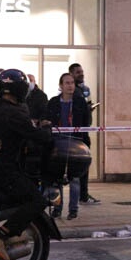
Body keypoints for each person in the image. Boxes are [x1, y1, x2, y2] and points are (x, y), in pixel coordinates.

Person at [0, 69, 53, 244]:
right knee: (38, 201)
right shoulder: (15, 113)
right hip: (6, 170)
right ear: (22, 90)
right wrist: (46, 129)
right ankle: (5, 232)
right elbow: (38, 136)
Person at [46, 72, 91, 219]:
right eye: (67, 83)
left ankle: (73, 209)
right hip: (58, 144)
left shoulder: (80, 102)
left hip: (76, 144)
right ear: (61, 86)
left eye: (72, 83)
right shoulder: (53, 102)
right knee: (57, 179)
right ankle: (57, 208)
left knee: (75, 178)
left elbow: (86, 122)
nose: (70, 86)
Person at [68, 63, 100, 205]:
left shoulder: (82, 90)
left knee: (82, 166)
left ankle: (82, 195)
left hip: (83, 131)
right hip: (78, 135)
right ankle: (81, 197)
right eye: (77, 72)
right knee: (80, 166)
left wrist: (89, 109)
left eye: (82, 71)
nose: (81, 74)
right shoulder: (74, 93)